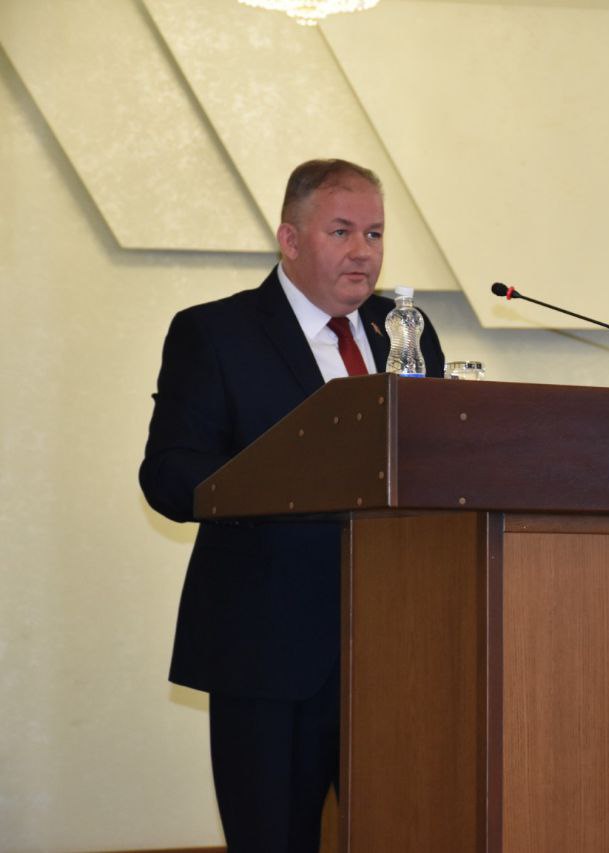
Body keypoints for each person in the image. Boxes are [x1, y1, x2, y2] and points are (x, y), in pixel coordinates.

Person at [139, 159, 445, 851]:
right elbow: (170, 476)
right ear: (290, 238)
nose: (363, 251)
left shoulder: (406, 330)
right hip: (269, 651)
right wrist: (288, 477)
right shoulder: (217, 333)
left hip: (401, 646)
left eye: (374, 233)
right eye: (341, 231)